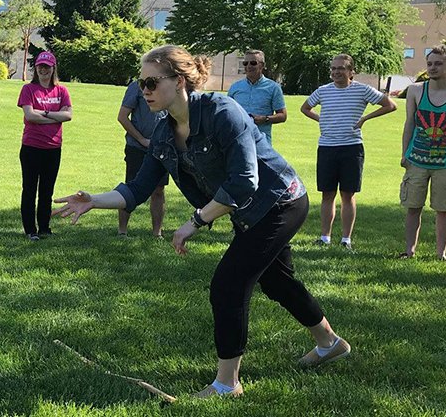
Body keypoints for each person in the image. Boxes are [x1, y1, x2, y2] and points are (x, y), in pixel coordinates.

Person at [53, 45, 350, 399]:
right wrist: (94, 201)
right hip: (246, 209)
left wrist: (194, 221)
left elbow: (244, 180)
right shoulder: (163, 133)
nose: (142, 90)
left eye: (150, 82)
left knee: (228, 284)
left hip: (281, 200)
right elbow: (137, 189)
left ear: (178, 81)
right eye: (140, 83)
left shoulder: (222, 111)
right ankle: (330, 343)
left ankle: (227, 384)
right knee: (276, 280)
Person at [300, 54, 396, 249]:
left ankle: (346, 239)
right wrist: (323, 120)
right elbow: (305, 108)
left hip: (352, 148)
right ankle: (325, 237)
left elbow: (390, 105)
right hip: (327, 147)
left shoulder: (362, 90)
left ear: (351, 71)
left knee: (348, 194)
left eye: (341, 68)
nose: (336, 72)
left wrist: (364, 119)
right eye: (333, 68)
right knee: (327, 194)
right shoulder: (323, 91)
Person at [399, 45, 446, 261]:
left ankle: (441, 254)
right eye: (429, 63)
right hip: (416, 160)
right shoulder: (415, 90)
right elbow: (409, 122)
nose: (432, 68)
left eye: (438, 63)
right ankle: (410, 251)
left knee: (444, 210)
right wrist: (404, 153)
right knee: (413, 207)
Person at [18, 51, 72, 241]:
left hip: (53, 148)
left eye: (47, 67)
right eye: (40, 66)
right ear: (36, 68)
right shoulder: (28, 89)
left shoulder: (62, 91)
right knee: (30, 189)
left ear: (53, 68)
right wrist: (55, 116)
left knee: (47, 190)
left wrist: (45, 113)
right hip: (32, 147)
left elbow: (68, 116)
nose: (43, 70)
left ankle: (44, 227)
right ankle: (30, 229)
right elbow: (30, 116)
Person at [116, 79, 168, 237]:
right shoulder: (137, 86)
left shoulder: (168, 87)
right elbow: (122, 117)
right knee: (130, 188)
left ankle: (157, 233)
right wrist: (141, 139)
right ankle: (122, 231)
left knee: (159, 190)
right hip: (137, 147)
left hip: (161, 148)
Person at [227, 50, 287, 143]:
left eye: (253, 63)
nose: (248, 66)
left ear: (263, 65)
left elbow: (283, 116)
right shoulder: (235, 87)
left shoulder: (273, 88)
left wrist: (265, 119)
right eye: (245, 63)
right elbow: (227, 112)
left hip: (261, 142)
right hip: (238, 141)